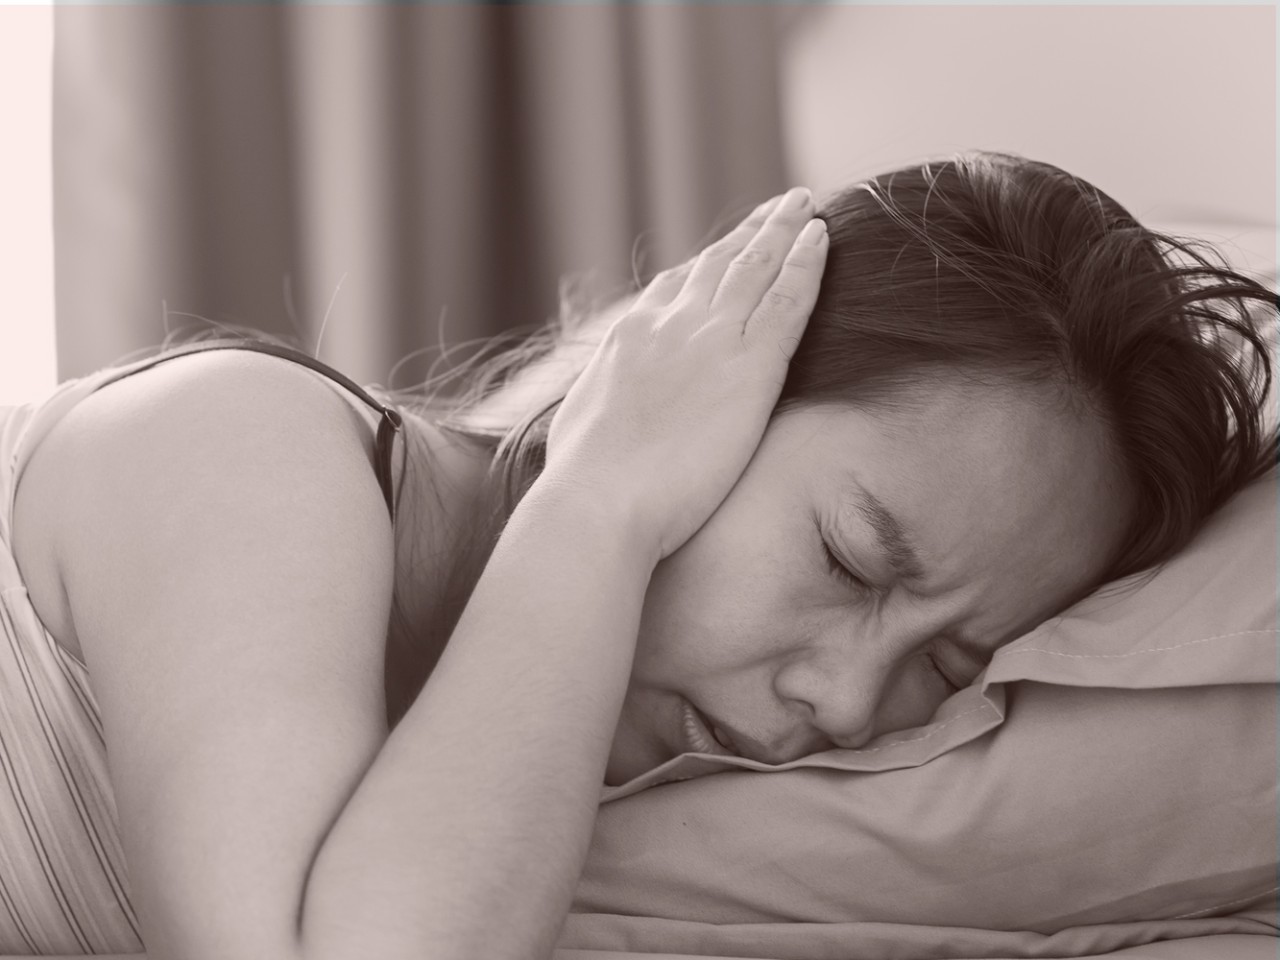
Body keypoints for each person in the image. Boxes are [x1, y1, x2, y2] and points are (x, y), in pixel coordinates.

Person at [0, 151, 1273, 960]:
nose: (841, 704)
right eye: (846, 560)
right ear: (699, 383)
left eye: (940, 665)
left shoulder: (572, 768)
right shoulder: (243, 446)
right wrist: (600, 497)